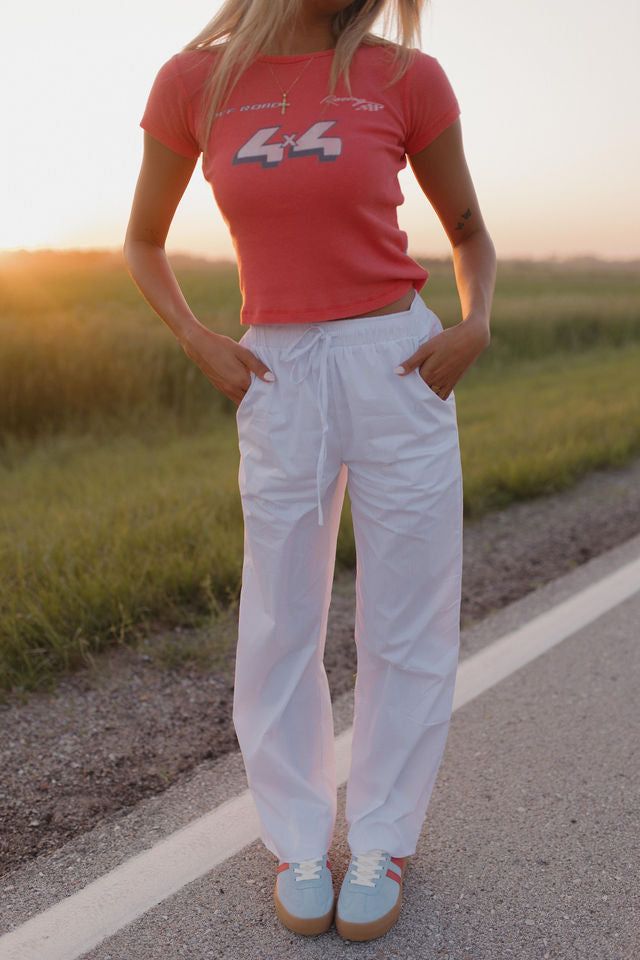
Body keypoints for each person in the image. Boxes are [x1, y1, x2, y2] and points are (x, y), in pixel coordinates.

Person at [124, 0, 496, 943]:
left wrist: (475, 321)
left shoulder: (405, 77)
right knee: (282, 613)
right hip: (277, 371)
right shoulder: (191, 82)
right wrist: (201, 340)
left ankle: (381, 840)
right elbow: (143, 240)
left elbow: (470, 233)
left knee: (406, 615)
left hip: (398, 363)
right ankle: (297, 840)